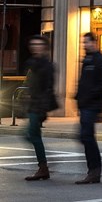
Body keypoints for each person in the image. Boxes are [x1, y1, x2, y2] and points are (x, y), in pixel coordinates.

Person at [74, 32, 102, 184]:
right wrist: (78, 97)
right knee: (84, 136)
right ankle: (94, 169)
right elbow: (83, 81)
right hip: (85, 104)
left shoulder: (99, 59)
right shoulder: (87, 59)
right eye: (83, 42)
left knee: (86, 136)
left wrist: (90, 97)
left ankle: (95, 170)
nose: (85, 45)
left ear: (94, 42)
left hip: (92, 104)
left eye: (87, 42)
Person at [23, 35, 58, 182]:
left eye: (39, 44)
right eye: (33, 44)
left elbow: (48, 88)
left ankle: (43, 167)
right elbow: (30, 85)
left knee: (32, 134)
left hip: (39, 106)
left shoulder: (47, 65)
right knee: (30, 135)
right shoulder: (32, 64)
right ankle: (43, 166)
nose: (36, 47)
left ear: (44, 47)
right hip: (33, 104)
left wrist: (43, 109)